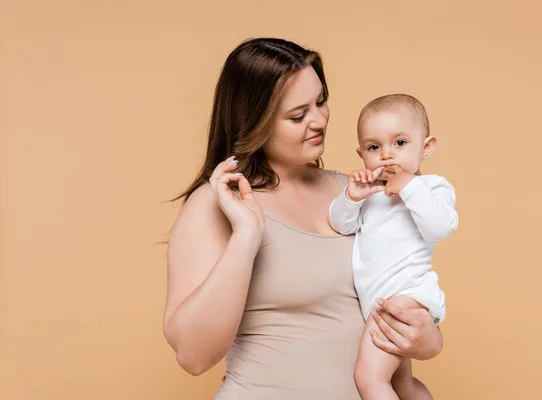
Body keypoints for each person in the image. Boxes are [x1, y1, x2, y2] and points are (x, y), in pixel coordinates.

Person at [162, 38, 444, 400]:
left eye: (321, 101)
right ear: (254, 120)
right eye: (297, 115)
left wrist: (428, 340)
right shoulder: (216, 205)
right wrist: (246, 237)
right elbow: (193, 355)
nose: (318, 120)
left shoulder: (358, 192)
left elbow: (408, 285)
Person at [329, 94, 458, 399]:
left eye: (400, 143)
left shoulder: (431, 187)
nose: (387, 155)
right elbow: (340, 224)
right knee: (402, 385)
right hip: (379, 301)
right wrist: (351, 197)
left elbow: (442, 226)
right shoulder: (371, 194)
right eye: (375, 147)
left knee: (368, 377)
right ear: (362, 154)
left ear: (425, 147)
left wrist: (410, 186)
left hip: (406, 297)